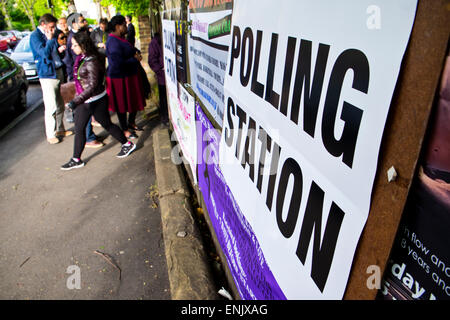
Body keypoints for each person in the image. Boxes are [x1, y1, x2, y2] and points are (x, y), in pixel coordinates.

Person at [61, 32, 136, 170]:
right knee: (93, 126)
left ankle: (77, 159)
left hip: (92, 100)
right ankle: (126, 145)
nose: (72, 48)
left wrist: (75, 101)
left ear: (83, 45)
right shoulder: (83, 57)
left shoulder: (91, 61)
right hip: (91, 99)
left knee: (96, 126)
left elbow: (92, 86)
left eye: (74, 45)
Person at [30, 13, 72, 144]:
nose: (54, 29)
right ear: (43, 24)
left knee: (60, 103)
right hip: (47, 74)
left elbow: (54, 50)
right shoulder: (35, 36)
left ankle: (60, 129)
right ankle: (51, 133)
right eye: (52, 26)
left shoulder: (53, 34)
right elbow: (43, 53)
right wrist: (49, 40)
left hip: (58, 69)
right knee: (51, 105)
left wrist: (60, 49)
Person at [65, 12, 103, 148]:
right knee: (83, 116)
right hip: (80, 83)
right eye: (82, 21)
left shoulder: (81, 35)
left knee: (91, 115)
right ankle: (89, 138)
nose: (85, 22)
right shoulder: (73, 39)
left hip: (84, 84)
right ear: (74, 23)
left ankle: (88, 137)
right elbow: (74, 62)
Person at [106, 15, 146, 138]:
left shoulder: (120, 38)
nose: (126, 27)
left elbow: (130, 48)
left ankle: (131, 122)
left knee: (133, 101)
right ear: (118, 27)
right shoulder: (112, 41)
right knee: (122, 105)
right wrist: (134, 59)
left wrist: (136, 52)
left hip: (129, 76)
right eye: (124, 24)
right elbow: (116, 63)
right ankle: (124, 129)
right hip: (119, 79)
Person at [148, 32, 168, 125]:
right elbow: (152, 61)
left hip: (172, 77)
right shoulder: (155, 42)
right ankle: (165, 118)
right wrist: (161, 72)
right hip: (163, 78)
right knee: (164, 99)